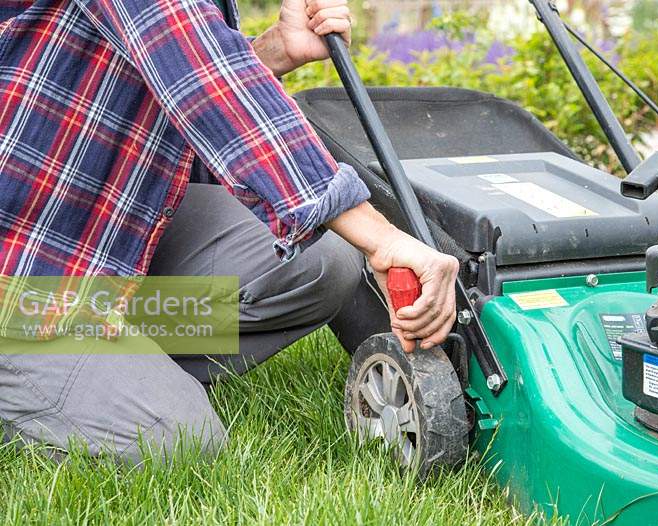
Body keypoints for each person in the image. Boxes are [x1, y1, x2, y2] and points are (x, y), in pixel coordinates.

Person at [0, 0, 458, 462]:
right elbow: (199, 73)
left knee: (323, 263)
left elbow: (169, 79)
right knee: (177, 441)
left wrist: (272, 53)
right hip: (21, 269)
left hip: (101, 230)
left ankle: (118, 357)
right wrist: (383, 238)